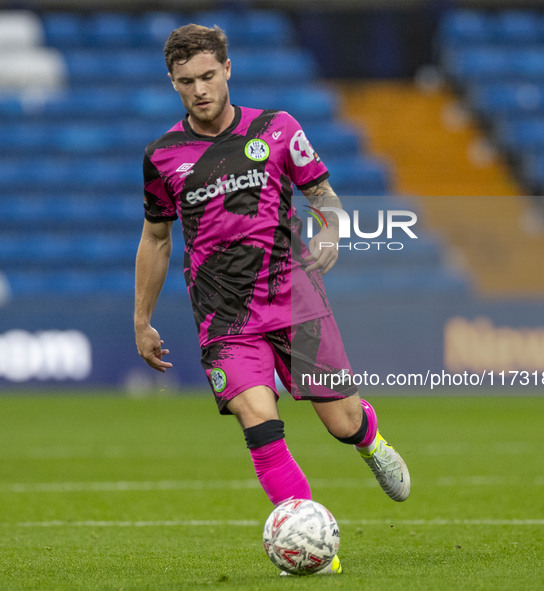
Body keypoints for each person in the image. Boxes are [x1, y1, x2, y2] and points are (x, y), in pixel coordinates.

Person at [134, 23, 410, 575]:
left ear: (228, 69)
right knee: (257, 419)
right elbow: (156, 237)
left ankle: (370, 437)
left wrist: (329, 230)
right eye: (186, 81)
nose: (200, 90)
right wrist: (141, 320)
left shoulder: (277, 129)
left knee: (341, 422)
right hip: (223, 313)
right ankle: (312, 549)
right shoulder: (163, 157)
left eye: (209, 76)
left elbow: (322, 195)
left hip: (294, 297)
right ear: (173, 82)